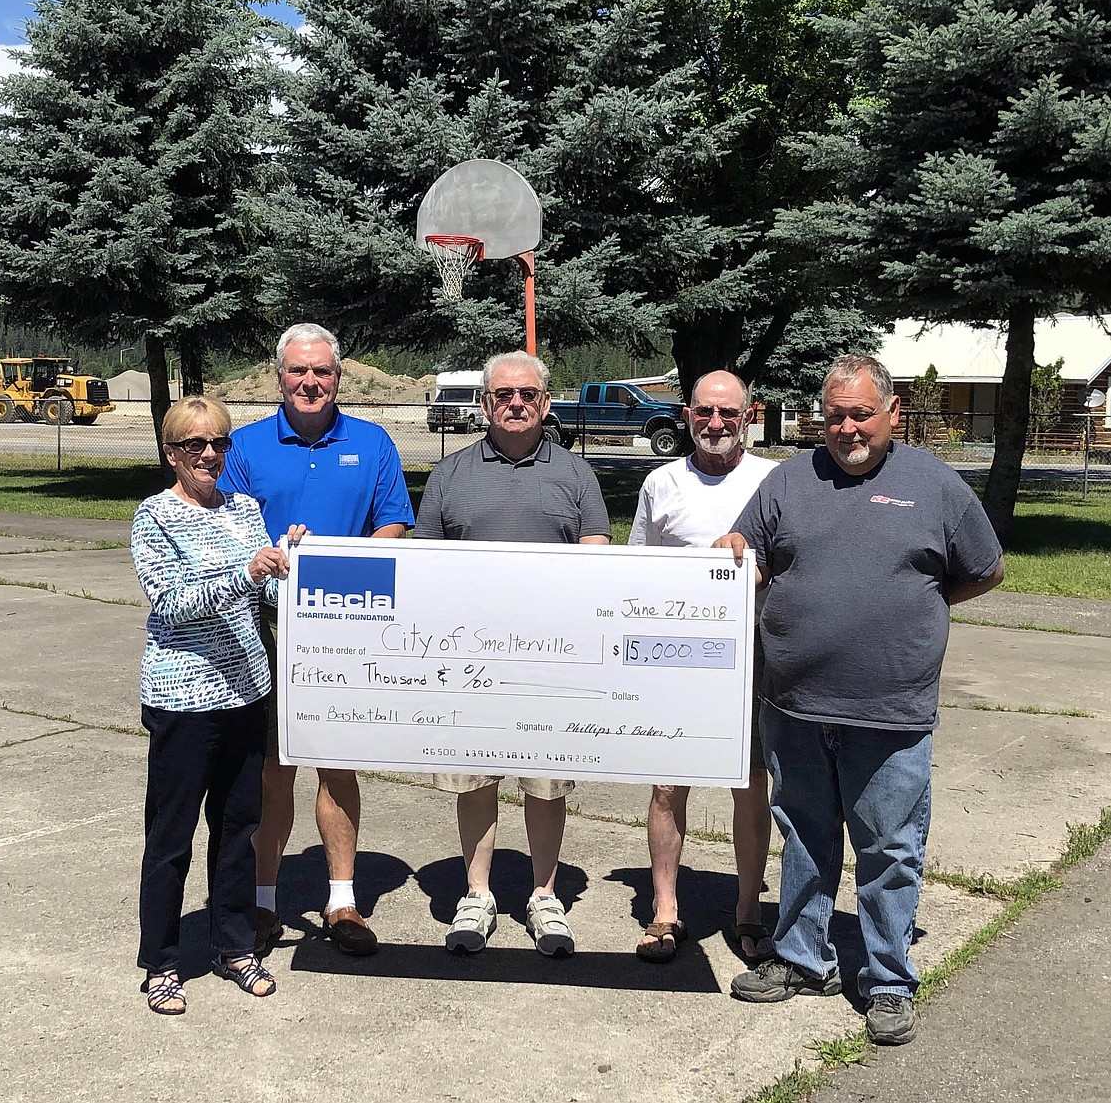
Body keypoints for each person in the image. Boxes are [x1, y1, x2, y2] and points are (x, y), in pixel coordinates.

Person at [716, 354, 1004, 1046]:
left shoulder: (935, 485)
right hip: (795, 704)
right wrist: (731, 544)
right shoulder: (790, 478)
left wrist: (917, 608)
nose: (848, 428)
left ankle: (887, 981)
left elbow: (986, 570)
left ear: (892, 412)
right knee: (805, 841)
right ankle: (803, 959)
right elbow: (746, 548)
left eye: (861, 414)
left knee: (889, 848)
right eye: (836, 414)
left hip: (891, 709)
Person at [219, 323, 413, 957]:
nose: (310, 382)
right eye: (298, 372)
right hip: (264, 629)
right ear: (280, 377)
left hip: (345, 626)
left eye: (322, 372)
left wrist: (334, 564)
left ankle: (341, 900)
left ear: (338, 377)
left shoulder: (373, 442)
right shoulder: (244, 447)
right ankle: (265, 902)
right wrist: (270, 558)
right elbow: (227, 534)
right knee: (273, 771)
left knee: (338, 764)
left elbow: (393, 526)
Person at [414, 351, 611, 956]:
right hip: (469, 659)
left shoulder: (576, 474)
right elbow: (425, 558)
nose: (516, 403)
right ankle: (477, 894)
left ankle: (545, 893)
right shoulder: (450, 473)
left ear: (546, 404)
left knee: (546, 780)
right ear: (484, 404)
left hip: (550, 658)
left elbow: (599, 549)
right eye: (503, 395)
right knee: (473, 776)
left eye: (528, 394)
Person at [131, 395, 304, 1014]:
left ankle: (233, 946)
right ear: (170, 452)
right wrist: (249, 576)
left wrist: (294, 560)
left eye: (219, 443)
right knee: (171, 835)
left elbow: (269, 594)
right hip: (184, 699)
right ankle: (161, 961)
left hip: (246, 693)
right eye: (193, 445)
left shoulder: (246, 509)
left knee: (238, 831)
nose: (208, 455)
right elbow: (171, 602)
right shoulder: (153, 517)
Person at [628, 370, 778, 963]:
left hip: (756, 653)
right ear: (687, 414)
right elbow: (637, 572)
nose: (715, 424)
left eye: (727, 413)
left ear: (748, 415)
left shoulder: (775, 480)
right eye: (703, 413)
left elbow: (792, 561)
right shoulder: (660, 482)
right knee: (667, 785)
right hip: (676, 659)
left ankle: (747, 910)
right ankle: (665, 909)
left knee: (749, 785)